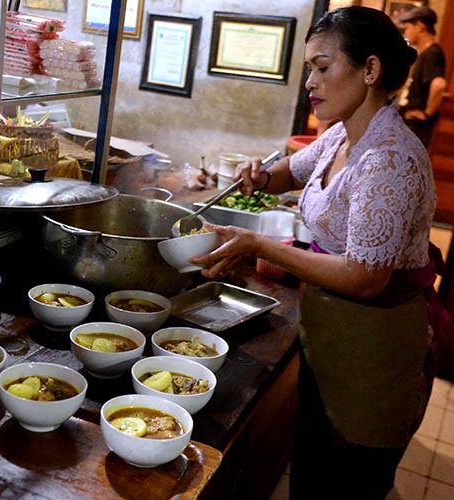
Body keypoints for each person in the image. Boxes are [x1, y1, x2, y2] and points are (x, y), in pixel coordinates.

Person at [189, 7, 445, 499]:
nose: (311, 81)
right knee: (312, 473)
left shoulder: (387, 156)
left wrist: (260, 244)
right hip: (332, 336)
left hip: (374, 351)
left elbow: (365, 277)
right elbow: (293, 171)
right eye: (310, 69)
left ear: (369, 71)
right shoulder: (343, 134)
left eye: (323, 68)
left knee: (344, 479)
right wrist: (263, 177)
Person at [398, 6, 447, 147]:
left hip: (416, 125)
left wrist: (427, 114)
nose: (406, 33)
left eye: (407, 28)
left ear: (420, 26)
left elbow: (439, 85)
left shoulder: (432, 54)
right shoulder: (423, 53)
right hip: (408, 121)